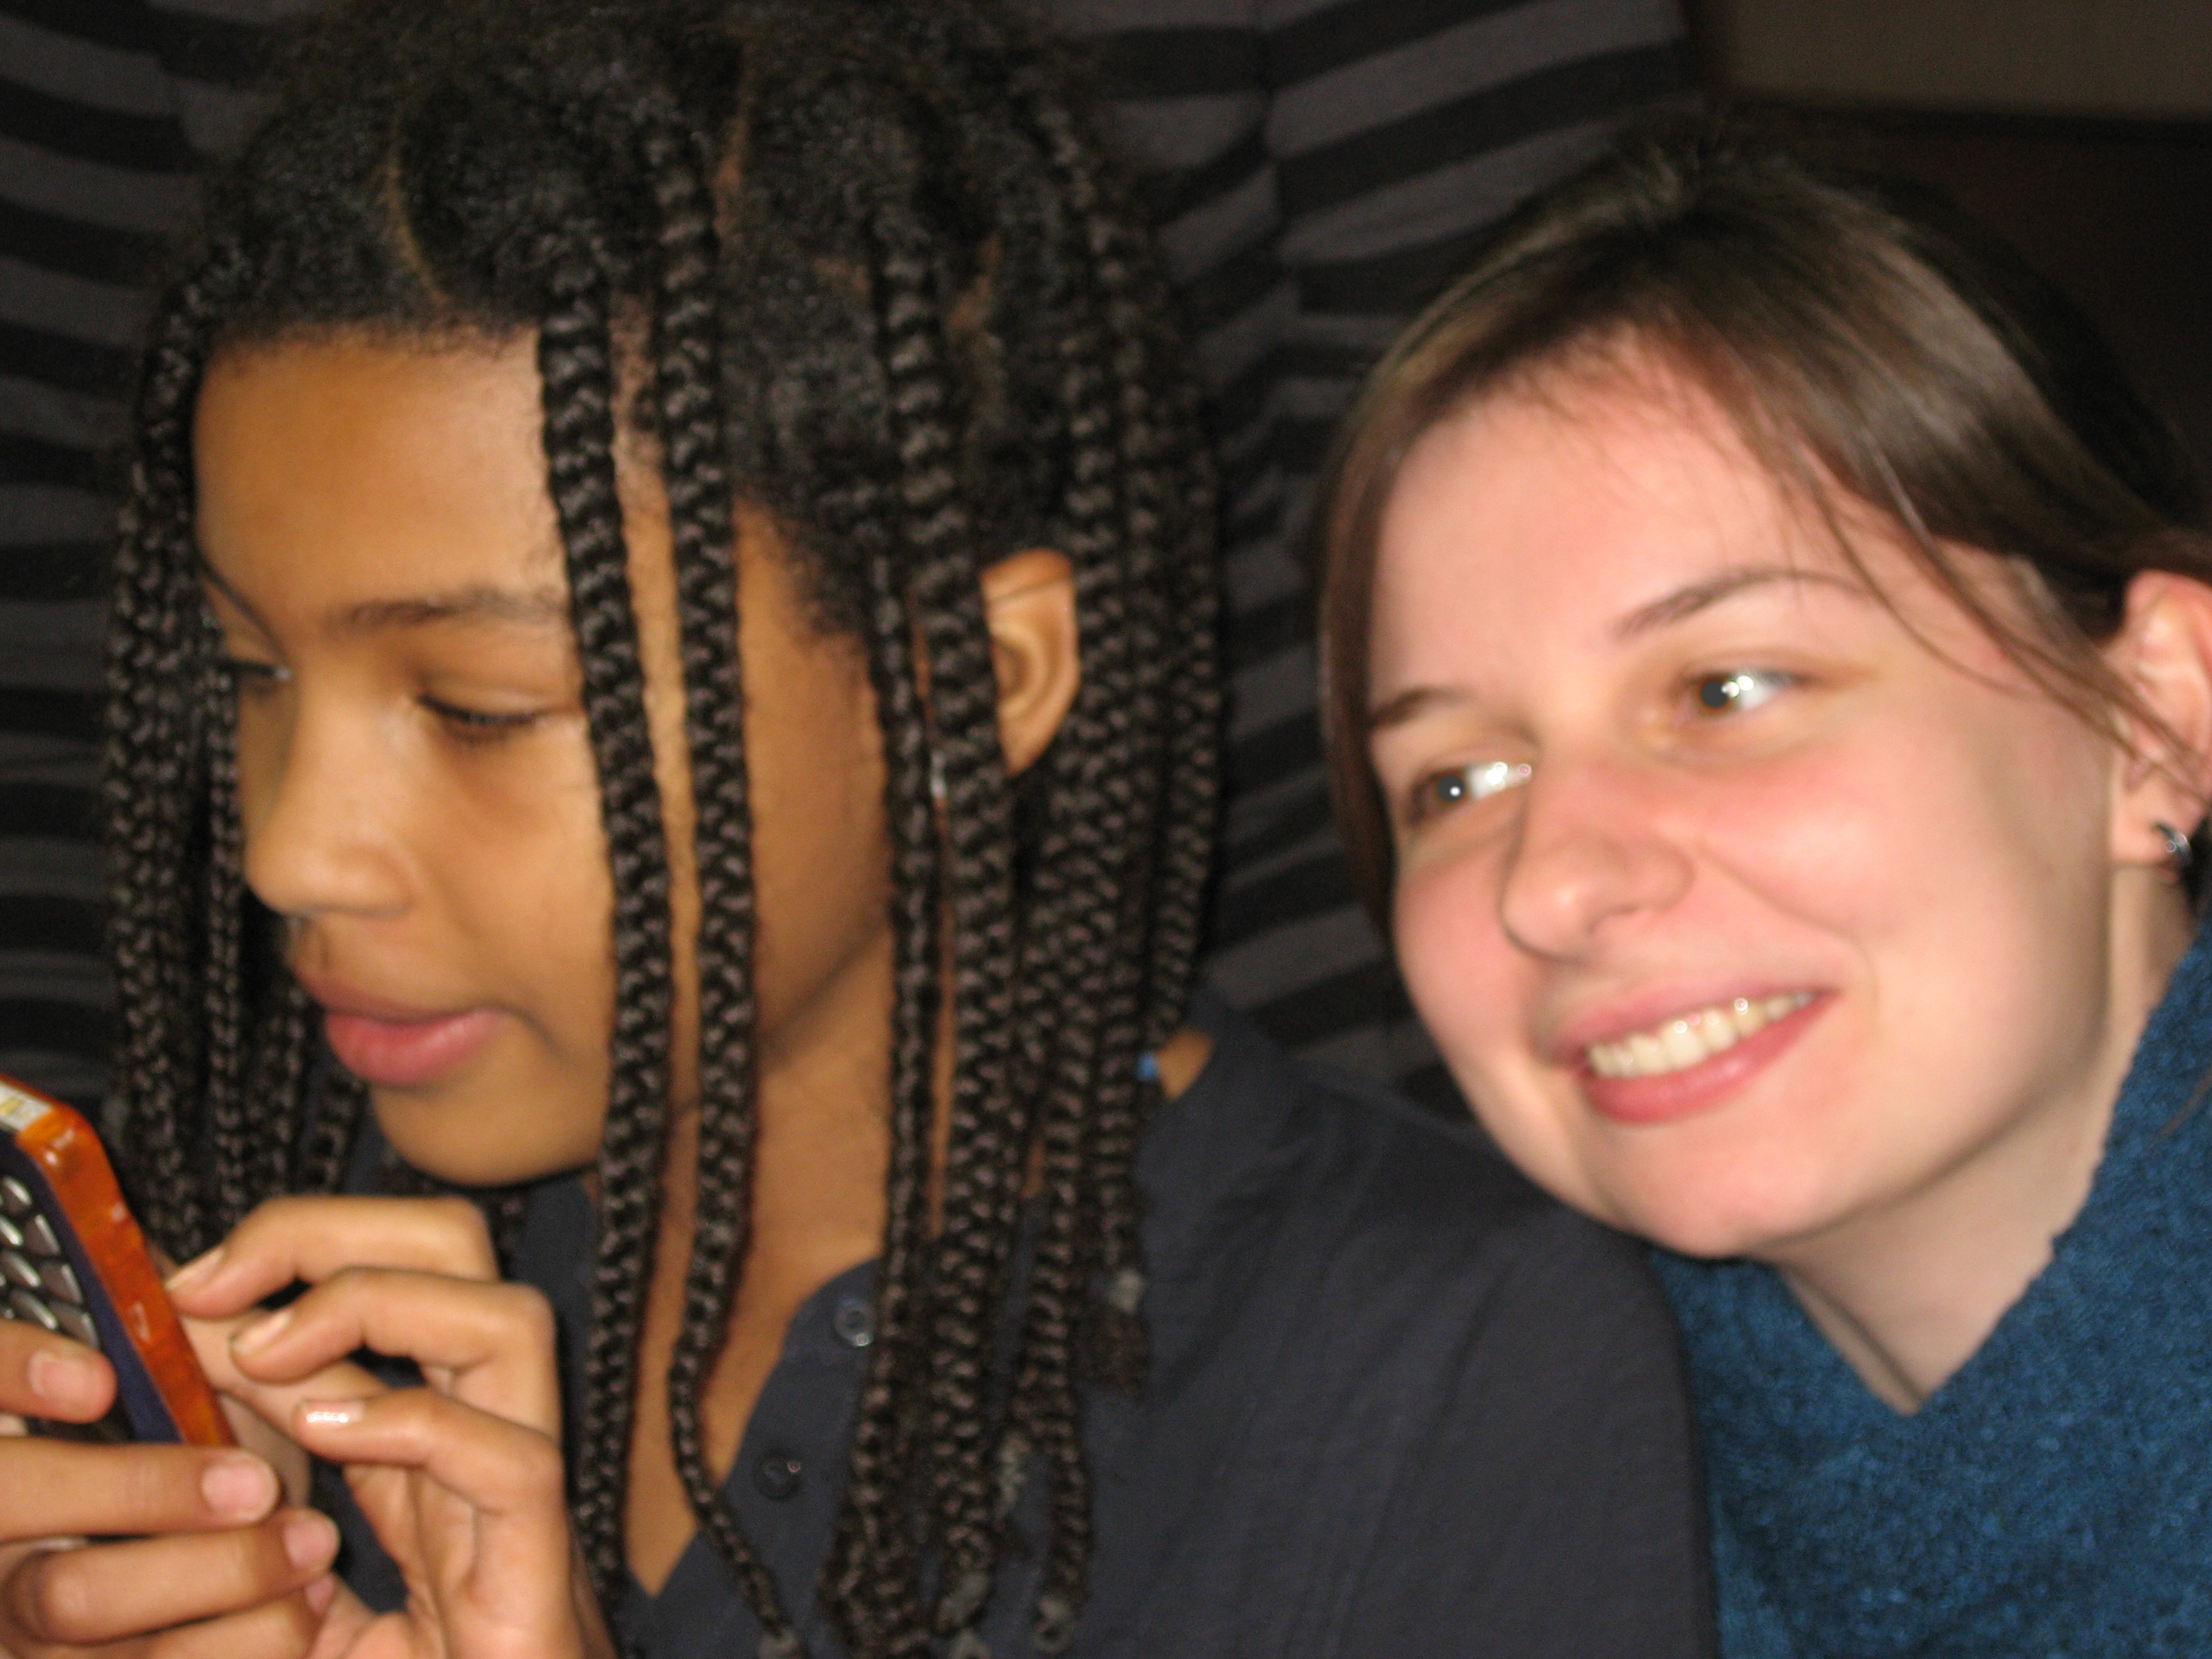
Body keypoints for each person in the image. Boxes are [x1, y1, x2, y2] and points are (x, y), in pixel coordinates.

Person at [0, 5, 1712, 1657]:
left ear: (970, 677)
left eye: (478, 708)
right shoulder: (260, 1308)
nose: (293, 850)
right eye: (251, 671)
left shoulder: (1442, 1369)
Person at [1317, 119, 2212, 1654]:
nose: (1555, 883)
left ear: (2158, 722)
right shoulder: (1454, 1489)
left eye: (1725, 689)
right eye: (1457, 782)